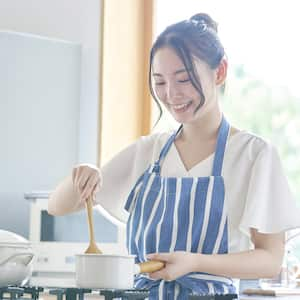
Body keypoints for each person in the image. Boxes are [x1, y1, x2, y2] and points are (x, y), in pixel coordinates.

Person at [48, 13, 300, 299]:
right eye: (160, 82)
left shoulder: (253, 154)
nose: (171, 94)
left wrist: (196, 263)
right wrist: (82, 173)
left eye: (183, 79)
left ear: (219, 72)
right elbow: (58, 206)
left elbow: (270, 259)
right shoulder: (148, 151)